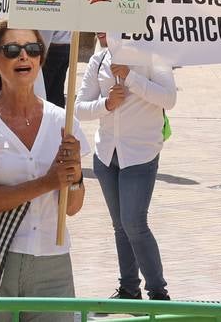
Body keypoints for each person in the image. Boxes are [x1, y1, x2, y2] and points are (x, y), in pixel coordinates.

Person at [0, 22, 87, 321]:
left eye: (33, 49)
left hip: (53, 264)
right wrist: (47, 182)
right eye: (12, 50)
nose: (24, 56)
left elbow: (73, 207)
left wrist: (74, 177)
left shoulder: (63, 123)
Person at [75, 33, 175, 301]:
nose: (101, 33)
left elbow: (169, 99)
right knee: (120, 225)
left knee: (134, 223)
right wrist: (107, 104)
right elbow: (79, 109)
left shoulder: (154, 55)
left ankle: (157, 292)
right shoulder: (98, 60)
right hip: (107, 155)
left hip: (141, 154)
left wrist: (131, 78)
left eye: (107, 27)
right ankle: (129, 289)